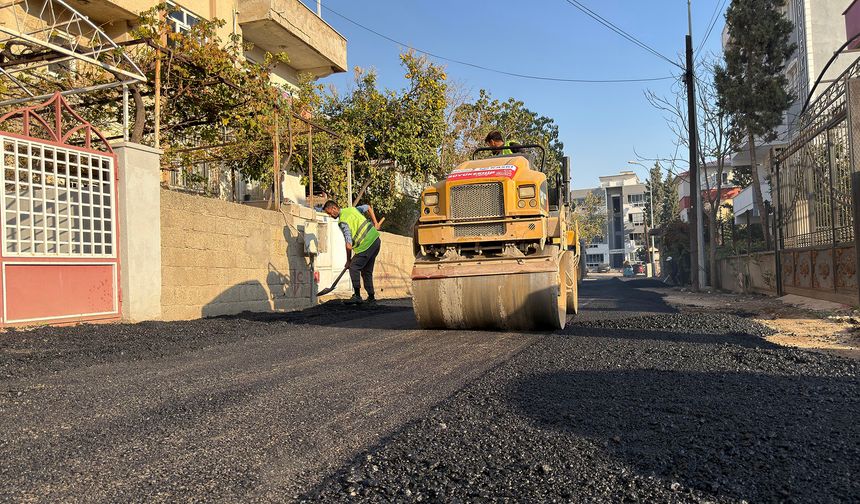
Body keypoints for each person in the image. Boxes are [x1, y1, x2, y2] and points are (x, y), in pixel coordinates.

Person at [322, 200, 381, 305]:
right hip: (376, 241)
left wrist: (349, 261)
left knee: (354, 267)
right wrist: (375, 223)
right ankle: (371, 297)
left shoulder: (343, 222)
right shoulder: (352, 209)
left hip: (366, 245)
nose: (330, 216)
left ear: (334, 208)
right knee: (366, 271)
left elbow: (348, 244)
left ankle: (357, 296)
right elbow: (368, 207)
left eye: (329, 213)